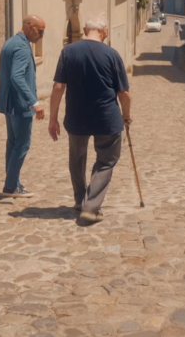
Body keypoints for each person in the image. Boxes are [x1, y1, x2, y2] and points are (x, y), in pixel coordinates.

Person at [48, 13, 131, 225]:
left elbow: (58, 87)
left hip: (76, 117)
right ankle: (91, 207)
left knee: (76, 160)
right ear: (105, 32)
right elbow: (124, 94)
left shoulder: (68, 51)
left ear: (85, 31)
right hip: (106, 118)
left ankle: (79, 201)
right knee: (106, 161)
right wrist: (126, 116)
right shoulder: (112, 55)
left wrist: (53, 119)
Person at [0, 15, 46, 198]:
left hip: (9, 103)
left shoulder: (9, 43)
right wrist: (34, 102)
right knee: (22, 144)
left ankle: (13, 183)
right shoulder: (22, 48)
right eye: (40, 31)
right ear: (30, 26)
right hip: (20, 104)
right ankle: (10, 187)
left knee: (13, 143)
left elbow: (0, 73)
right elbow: (16, 76)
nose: (41, 35)